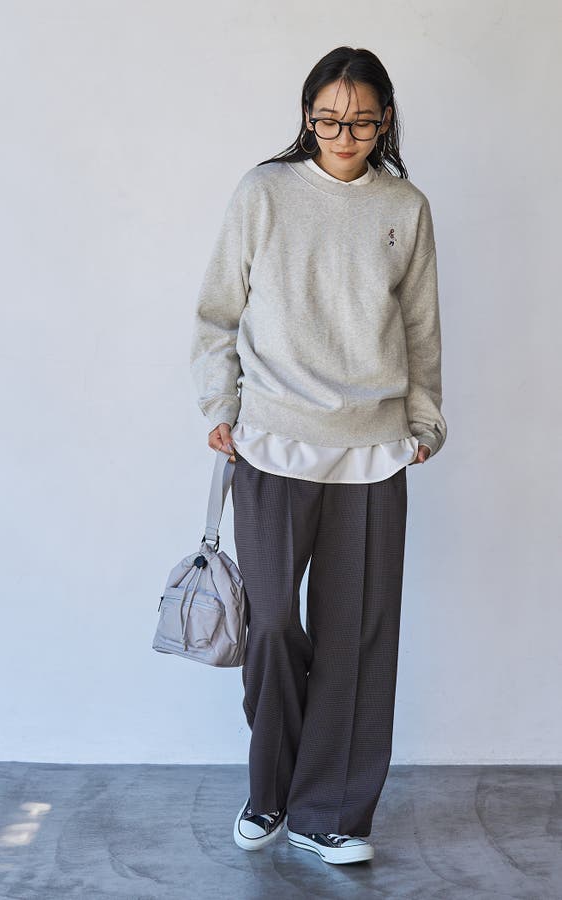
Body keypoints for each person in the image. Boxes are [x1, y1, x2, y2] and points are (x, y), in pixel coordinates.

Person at [188, 46, 447, 866]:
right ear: (307, 116)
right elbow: (217, 313)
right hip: (270, 441)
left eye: (361, 122)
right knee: (271, 624)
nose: (344, 135)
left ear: (385, 121)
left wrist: (424, 421)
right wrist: (220, 406)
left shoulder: (405, 206)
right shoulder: (263, 193)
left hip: (373, 448)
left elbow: (420, 327)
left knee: (357, 639)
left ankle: (329, 812)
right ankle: (271, 790)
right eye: (328, 119)